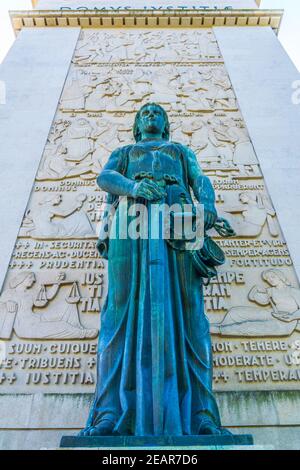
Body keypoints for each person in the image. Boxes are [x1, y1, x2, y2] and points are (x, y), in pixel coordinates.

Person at [80, 103, 231, 437]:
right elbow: (105, 177)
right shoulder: (125, 152)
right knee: (118, 312)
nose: (151, 116)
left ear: (165, 123)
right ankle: (109, 413)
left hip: (179, 223)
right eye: (145, 113)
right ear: (137, 124)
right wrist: (134, 188)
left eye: (157, 113)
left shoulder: (179, 150)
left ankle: (202, 413)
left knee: (192, 313)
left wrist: (207, 205)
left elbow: (200, 178)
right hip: (130, 223)